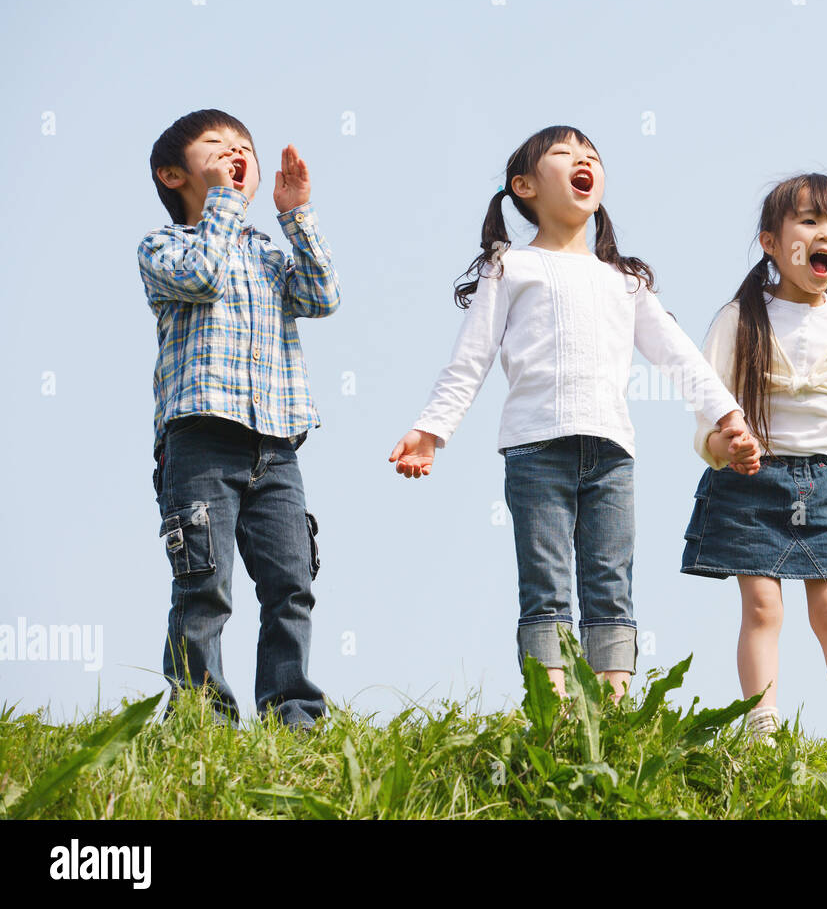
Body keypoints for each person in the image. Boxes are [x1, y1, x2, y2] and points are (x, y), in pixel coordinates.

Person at [389, 125, 758, 702]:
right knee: (547, 586)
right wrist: (432, 431)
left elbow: (678, 354)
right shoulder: (510, 267)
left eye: (591, 156)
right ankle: (555, 709)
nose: (581, 161)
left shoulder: (624, 280)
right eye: (563, 154)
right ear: (525, 187)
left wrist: (726, 416)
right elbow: (470, 359)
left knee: (611, 584)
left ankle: (611, 710)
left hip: (611, 454)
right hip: (537, 451)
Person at [140, 109, 340, 729]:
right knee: (204, 585)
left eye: (244, 147)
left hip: (277, 447)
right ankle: (203, 718)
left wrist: (295, 215)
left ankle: (294, 715)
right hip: (201, 440)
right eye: (216, 145)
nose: (236, 152)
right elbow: (203, 277)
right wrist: (226, 204)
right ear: (172, 174)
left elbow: (322, 296)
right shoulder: (164, 246)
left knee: (292, 585)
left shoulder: (266, 254)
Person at [680, 174, 827, 751]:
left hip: (821, 485)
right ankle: (762, 726)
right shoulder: (739, 316)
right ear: (771, 242)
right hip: (752, 479)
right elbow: (706, 401)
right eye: (810, 221)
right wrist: (725, 444)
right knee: (763, 605)